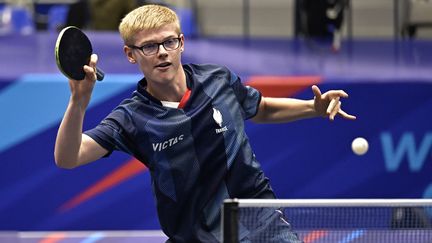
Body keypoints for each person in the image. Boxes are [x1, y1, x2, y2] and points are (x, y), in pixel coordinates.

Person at [54, 4, 356, 243]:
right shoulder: (132, 117)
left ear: (181, 43)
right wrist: (78, 103)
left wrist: (311, 108)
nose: (161, 52)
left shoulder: (217, 80)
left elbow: (259, 107)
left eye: (169, 42)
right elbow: (69, 157)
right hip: (195, 236)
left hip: (263, 227)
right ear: (130, 55)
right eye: (148, 46)